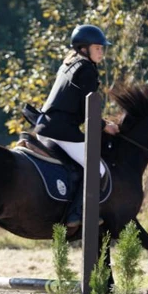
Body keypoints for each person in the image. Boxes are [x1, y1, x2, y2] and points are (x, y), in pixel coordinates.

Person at [34, 24, 119, 228]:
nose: (101, 52)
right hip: (61, 131)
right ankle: (76, 214)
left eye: (102, 48)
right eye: (97, 47)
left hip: (44, 126)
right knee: (97, 169)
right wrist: (104, 126)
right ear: (84, 48)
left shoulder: (69, 64)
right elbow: (86, 109)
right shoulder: (87, 69)